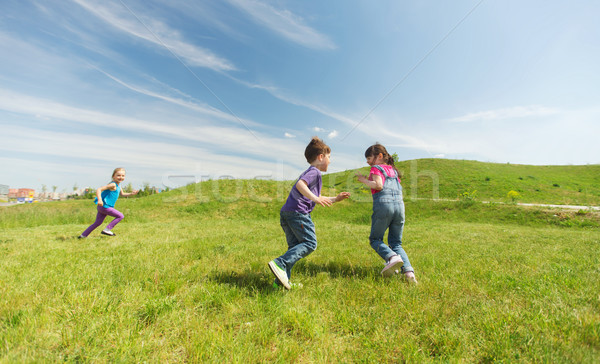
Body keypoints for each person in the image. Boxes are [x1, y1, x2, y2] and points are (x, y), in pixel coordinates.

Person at [268, 137, 350, 290]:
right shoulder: (315, 172)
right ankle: (280, 263)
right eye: (329, 157)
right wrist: (314, 198)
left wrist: (336, 198)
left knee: (294, 247)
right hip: (298, 213)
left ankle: (280, 283)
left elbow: (318, 197)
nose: (330, 161)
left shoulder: (310, 172)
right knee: (310, 243)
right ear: (321, 157)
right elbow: (300, 185)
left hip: (287, 213)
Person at [355, 144, 417, 284]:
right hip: (400, 208)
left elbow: (378, 185)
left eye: (369, 158)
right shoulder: (394, 172)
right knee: (396, 243)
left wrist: (364, 180)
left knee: (375, 239)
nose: (368, 161)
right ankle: (409, 274)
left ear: (380, 156)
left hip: (384, 206)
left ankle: (392, 258)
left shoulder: (376, 168)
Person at [78, 168, 138, 238]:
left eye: (123, 176)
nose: (121, 177)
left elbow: (122, 194)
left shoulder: (119, 185)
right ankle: (107, 229)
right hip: (105, 206)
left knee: (97, 223)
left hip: (103, 207)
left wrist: (131, 194)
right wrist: (100, 200)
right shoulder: (113, 185)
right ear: (113, 176)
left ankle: (83, 235)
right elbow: (99, 189)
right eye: (118, 175)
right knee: (120, 216)